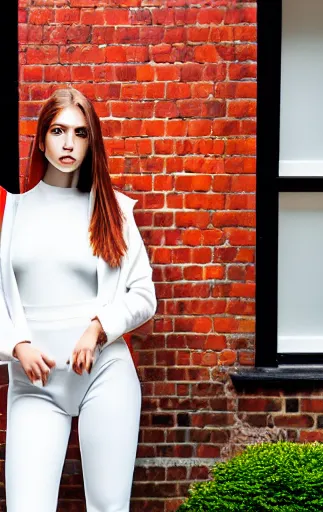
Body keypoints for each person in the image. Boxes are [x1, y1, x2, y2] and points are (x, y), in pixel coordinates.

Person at [0, 87, 157, 511]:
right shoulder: (9, 212)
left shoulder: (113, 210)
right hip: (34, 385)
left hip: (105, 375)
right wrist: (17, 344)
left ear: (92, 142)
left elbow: (143, 293)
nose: (69, 143)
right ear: (41, 138)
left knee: (109, 506)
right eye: (58, 130)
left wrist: (97, 328)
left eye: (81, 133)